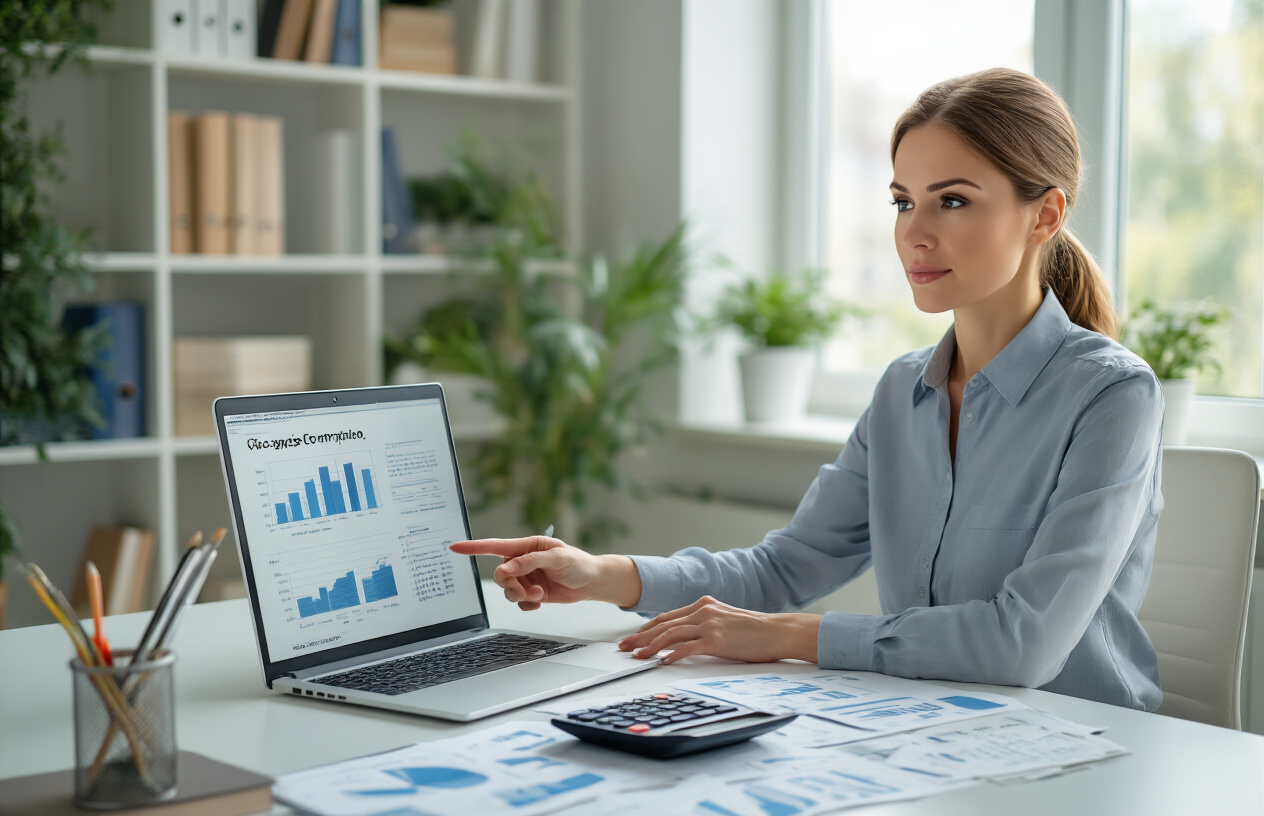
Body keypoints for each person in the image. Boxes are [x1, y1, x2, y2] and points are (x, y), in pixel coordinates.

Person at [451, 68, 1165, 712]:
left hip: (1084, 741)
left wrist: (785, 637)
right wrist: (603, 574)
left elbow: (1023, 645)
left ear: (1044, 215)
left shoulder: (1112, 397)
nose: (914, 233)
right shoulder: (900, 393)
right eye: (901, 201)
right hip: (933, 727)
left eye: (952, 202)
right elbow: (783, 568)